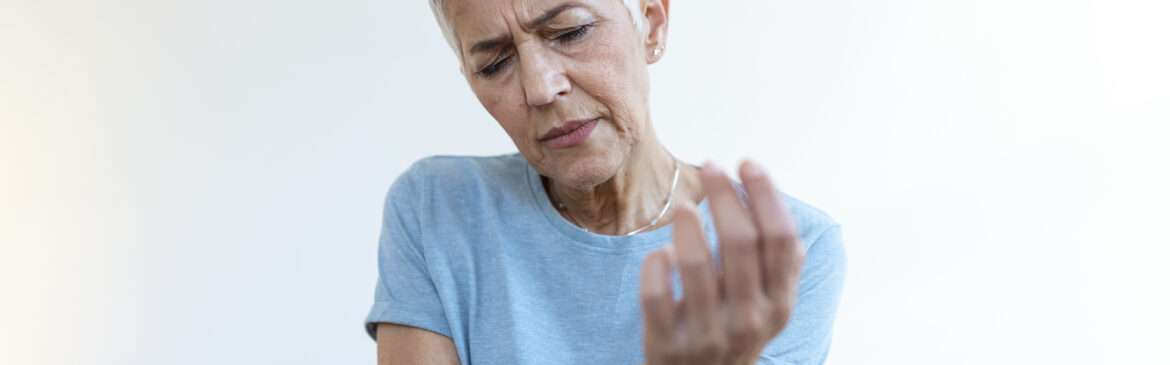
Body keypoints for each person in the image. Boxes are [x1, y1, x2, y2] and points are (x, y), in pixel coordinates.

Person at [363, 0, 846, 363]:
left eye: (571, 31)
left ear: (652, 22)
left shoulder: (787, 251)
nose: (540, 87)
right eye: (493, 64)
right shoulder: (437, 209)